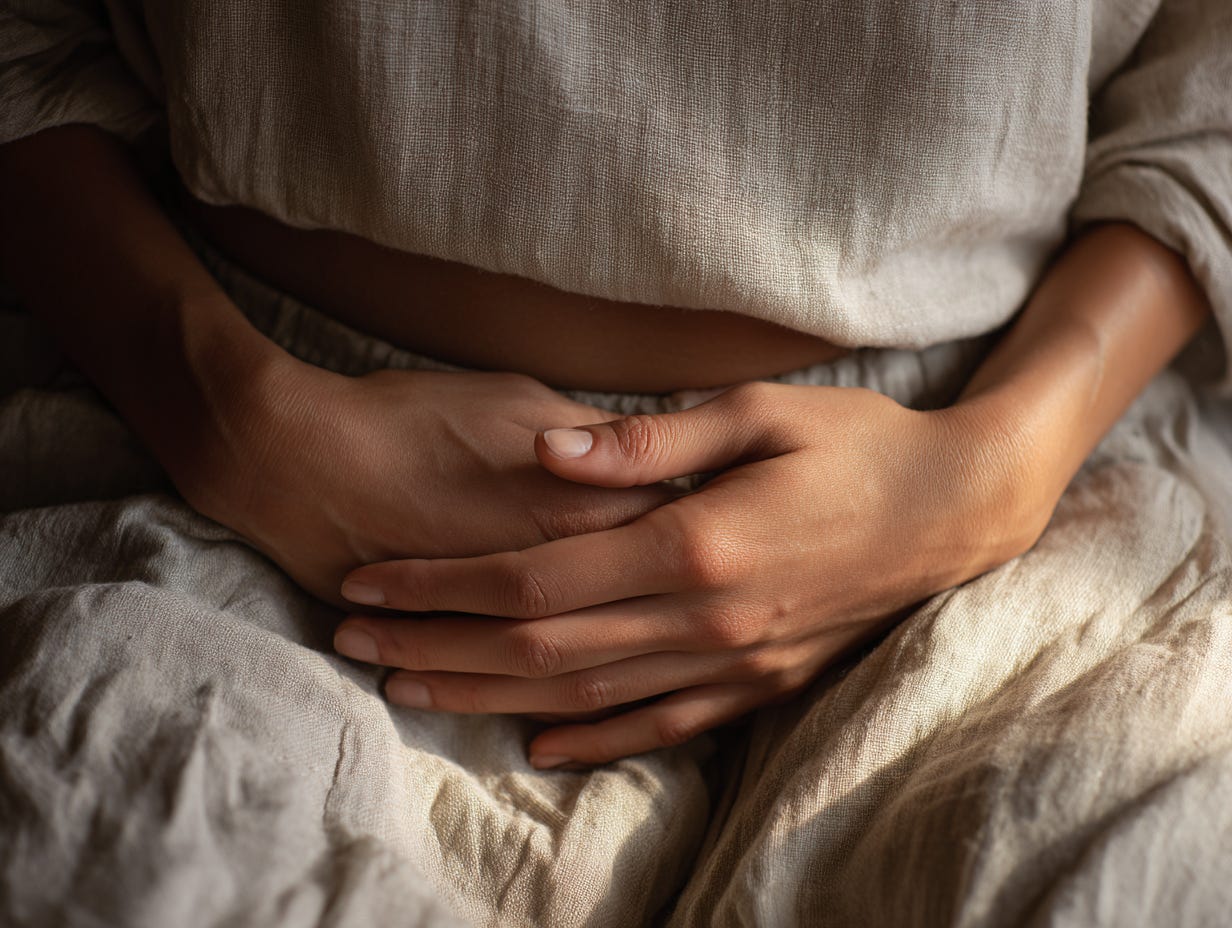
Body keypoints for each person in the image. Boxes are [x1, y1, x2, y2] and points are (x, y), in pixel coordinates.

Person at [2, 2, 1230, 925]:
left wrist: (994, 463)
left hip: (975, 469)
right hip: (258, 448)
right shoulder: (236, 426)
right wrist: (233, 413)